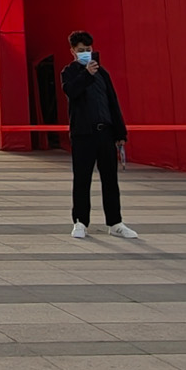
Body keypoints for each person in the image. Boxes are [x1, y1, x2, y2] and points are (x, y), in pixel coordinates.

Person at [60, 30, 139, 242]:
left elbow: (112, 102)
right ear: (73, 51)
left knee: (110, 179)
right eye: (81, 50)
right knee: (82, 179)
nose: (86, 53)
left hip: (105, 133)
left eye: (88, 49)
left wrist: (120, 132)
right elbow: (71, 91)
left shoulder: (102, 73)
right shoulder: (69, 72)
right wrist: (86, 74)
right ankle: (80, 222)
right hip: (83, 134)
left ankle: (115, 223)